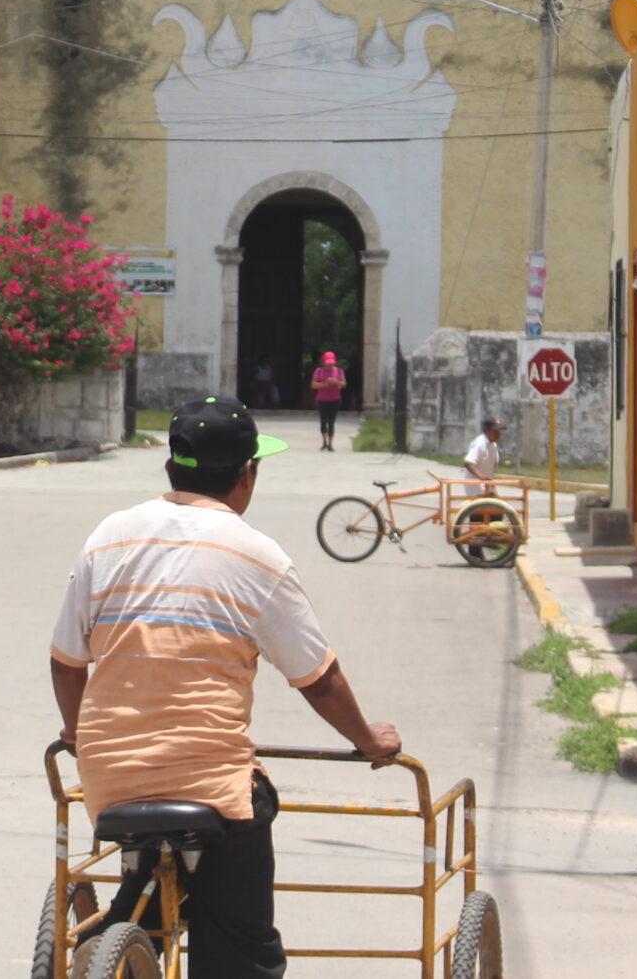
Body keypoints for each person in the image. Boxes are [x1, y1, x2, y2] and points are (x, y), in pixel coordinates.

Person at [50, 397, 401, 979]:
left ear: (169, 470)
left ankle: (122, 930)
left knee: (147, 858)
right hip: (208, 784)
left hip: (109, 779)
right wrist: (368, 740)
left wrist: (77, 730)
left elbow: (67, 662)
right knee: (245, 941)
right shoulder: (259, 557)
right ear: (247, 477)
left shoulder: (108, 536)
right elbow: (319, 678)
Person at [309, 351, 347, 450]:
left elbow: (343, 384)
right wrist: (324, 384)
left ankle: (330, 444)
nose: (330, 365)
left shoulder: (338, 371)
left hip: (335, 399)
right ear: (324, 362)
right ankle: (324, 441)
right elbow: (313, 385)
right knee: (323, 421)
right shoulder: (319, 371)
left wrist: (336, 382)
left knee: (331, 421)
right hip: (322, 400)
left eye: (332, 363)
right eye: (328, 363)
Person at [462, 416, 503, 494]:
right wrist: (481, 477)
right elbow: (468, 463)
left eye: (500, 431)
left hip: (487, 486)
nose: (499, 433)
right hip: (476, 488)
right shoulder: (480, 443)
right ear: (487, 430)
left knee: (496, 505)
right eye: (495, 431)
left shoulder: (493, 445)